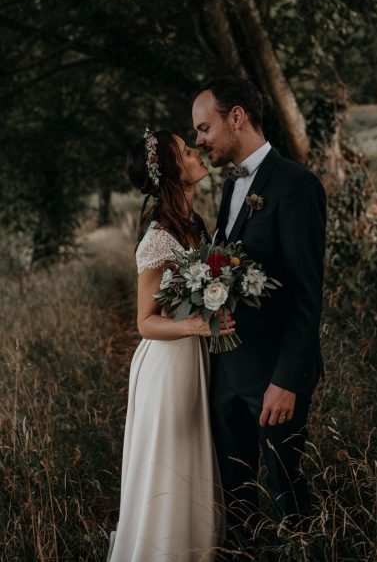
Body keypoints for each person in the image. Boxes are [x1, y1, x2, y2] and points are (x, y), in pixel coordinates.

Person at [192, 78, 326, 543]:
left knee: (287, 492)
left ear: (237, 117)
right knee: (237, 497)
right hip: (227, 371)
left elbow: (308, 296)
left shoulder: (296, 185)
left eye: (204, 128)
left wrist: (287, 380)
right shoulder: (231, 188)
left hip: (275, 378)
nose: (198, 140)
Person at [107, 130, 232, 562]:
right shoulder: (158, 237)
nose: (196, 152)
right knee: (173, 465)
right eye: (184, 150)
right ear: (171, 172)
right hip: (167, 367)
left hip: (192, 360)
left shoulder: (194, 225)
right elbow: (145, 322)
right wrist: (198, 325)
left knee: (195, 460)